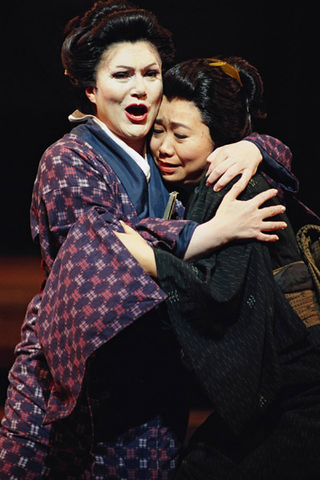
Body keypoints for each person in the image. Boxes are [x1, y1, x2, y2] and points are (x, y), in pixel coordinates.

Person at [0, 2, 295, 478]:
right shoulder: (68, 161)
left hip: (155, 380)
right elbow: (103, 247)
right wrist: (206, 234)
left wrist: (252, 146)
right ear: (91, 88)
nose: (139, 87)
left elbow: (265, 154)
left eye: (151, 73)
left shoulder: (164, 157)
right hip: (75, 380)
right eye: (122, 75)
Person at [116, 56, 320, 479]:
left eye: (180, 134)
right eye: (158, 130)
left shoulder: (226, 186)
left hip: (299, 404)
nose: (164, 147)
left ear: (223, 142)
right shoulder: (220, 176)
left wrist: (153, 262)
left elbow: (218, 297)